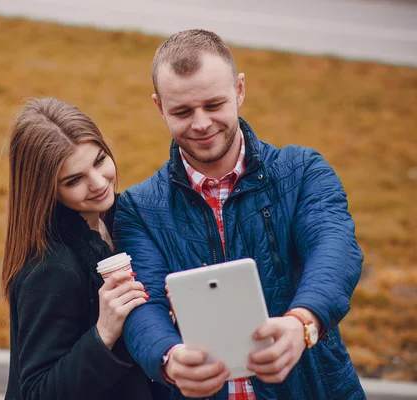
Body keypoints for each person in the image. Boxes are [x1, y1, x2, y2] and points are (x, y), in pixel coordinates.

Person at [113, 29, 365, 399]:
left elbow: (335, 249)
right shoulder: (138, 208)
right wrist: (168, 358)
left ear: (240, 91)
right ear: (158, 107)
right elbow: (142, 303)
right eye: (182, 111)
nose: (201, 124)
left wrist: (302, 323)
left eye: (214, 105)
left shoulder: (303, 170)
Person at [1, 97, 155, 400]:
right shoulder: (50, 268)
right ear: (46, 190)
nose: (98, 183)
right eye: (74, 180)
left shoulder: (125, 220)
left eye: (99, 161)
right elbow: (37, 392)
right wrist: (103, 334)